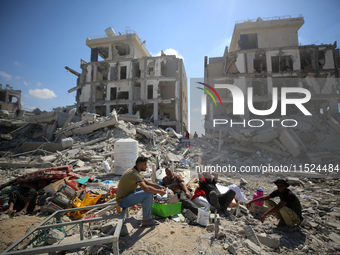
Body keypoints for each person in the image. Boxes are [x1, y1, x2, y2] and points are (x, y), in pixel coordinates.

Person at [116, 157, 166, 227]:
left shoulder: (134, 170)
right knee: (148, 193)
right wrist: (159, 191)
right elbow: (146, 188)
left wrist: (158, 187)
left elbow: (145, 181)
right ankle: (146, 220)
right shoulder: (134, 174)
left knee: (151, 190)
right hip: (123, 201)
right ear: (140, 165)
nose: (146, 166)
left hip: (127, 195)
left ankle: (146, 214)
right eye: (145, 164)